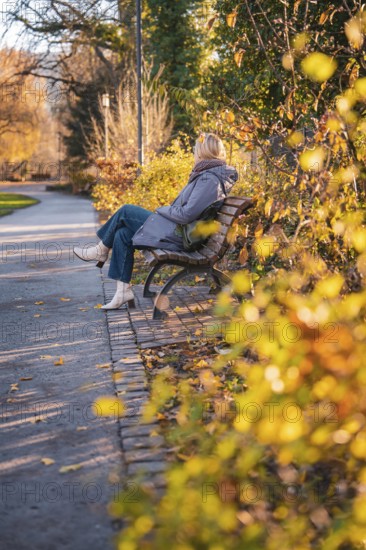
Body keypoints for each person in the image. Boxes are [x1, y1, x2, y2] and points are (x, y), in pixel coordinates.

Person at [73, 133, 238, 310]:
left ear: (203, 153)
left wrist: (162, 209)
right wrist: (167, 210)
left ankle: (100, 250)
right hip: (177, 229)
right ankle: (122, 292)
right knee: (123, 234)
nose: (194, 154)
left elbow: (186, 214)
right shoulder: (207, 174)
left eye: (196, 151)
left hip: (180, 235)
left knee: (126, 211)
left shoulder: (210, 179)